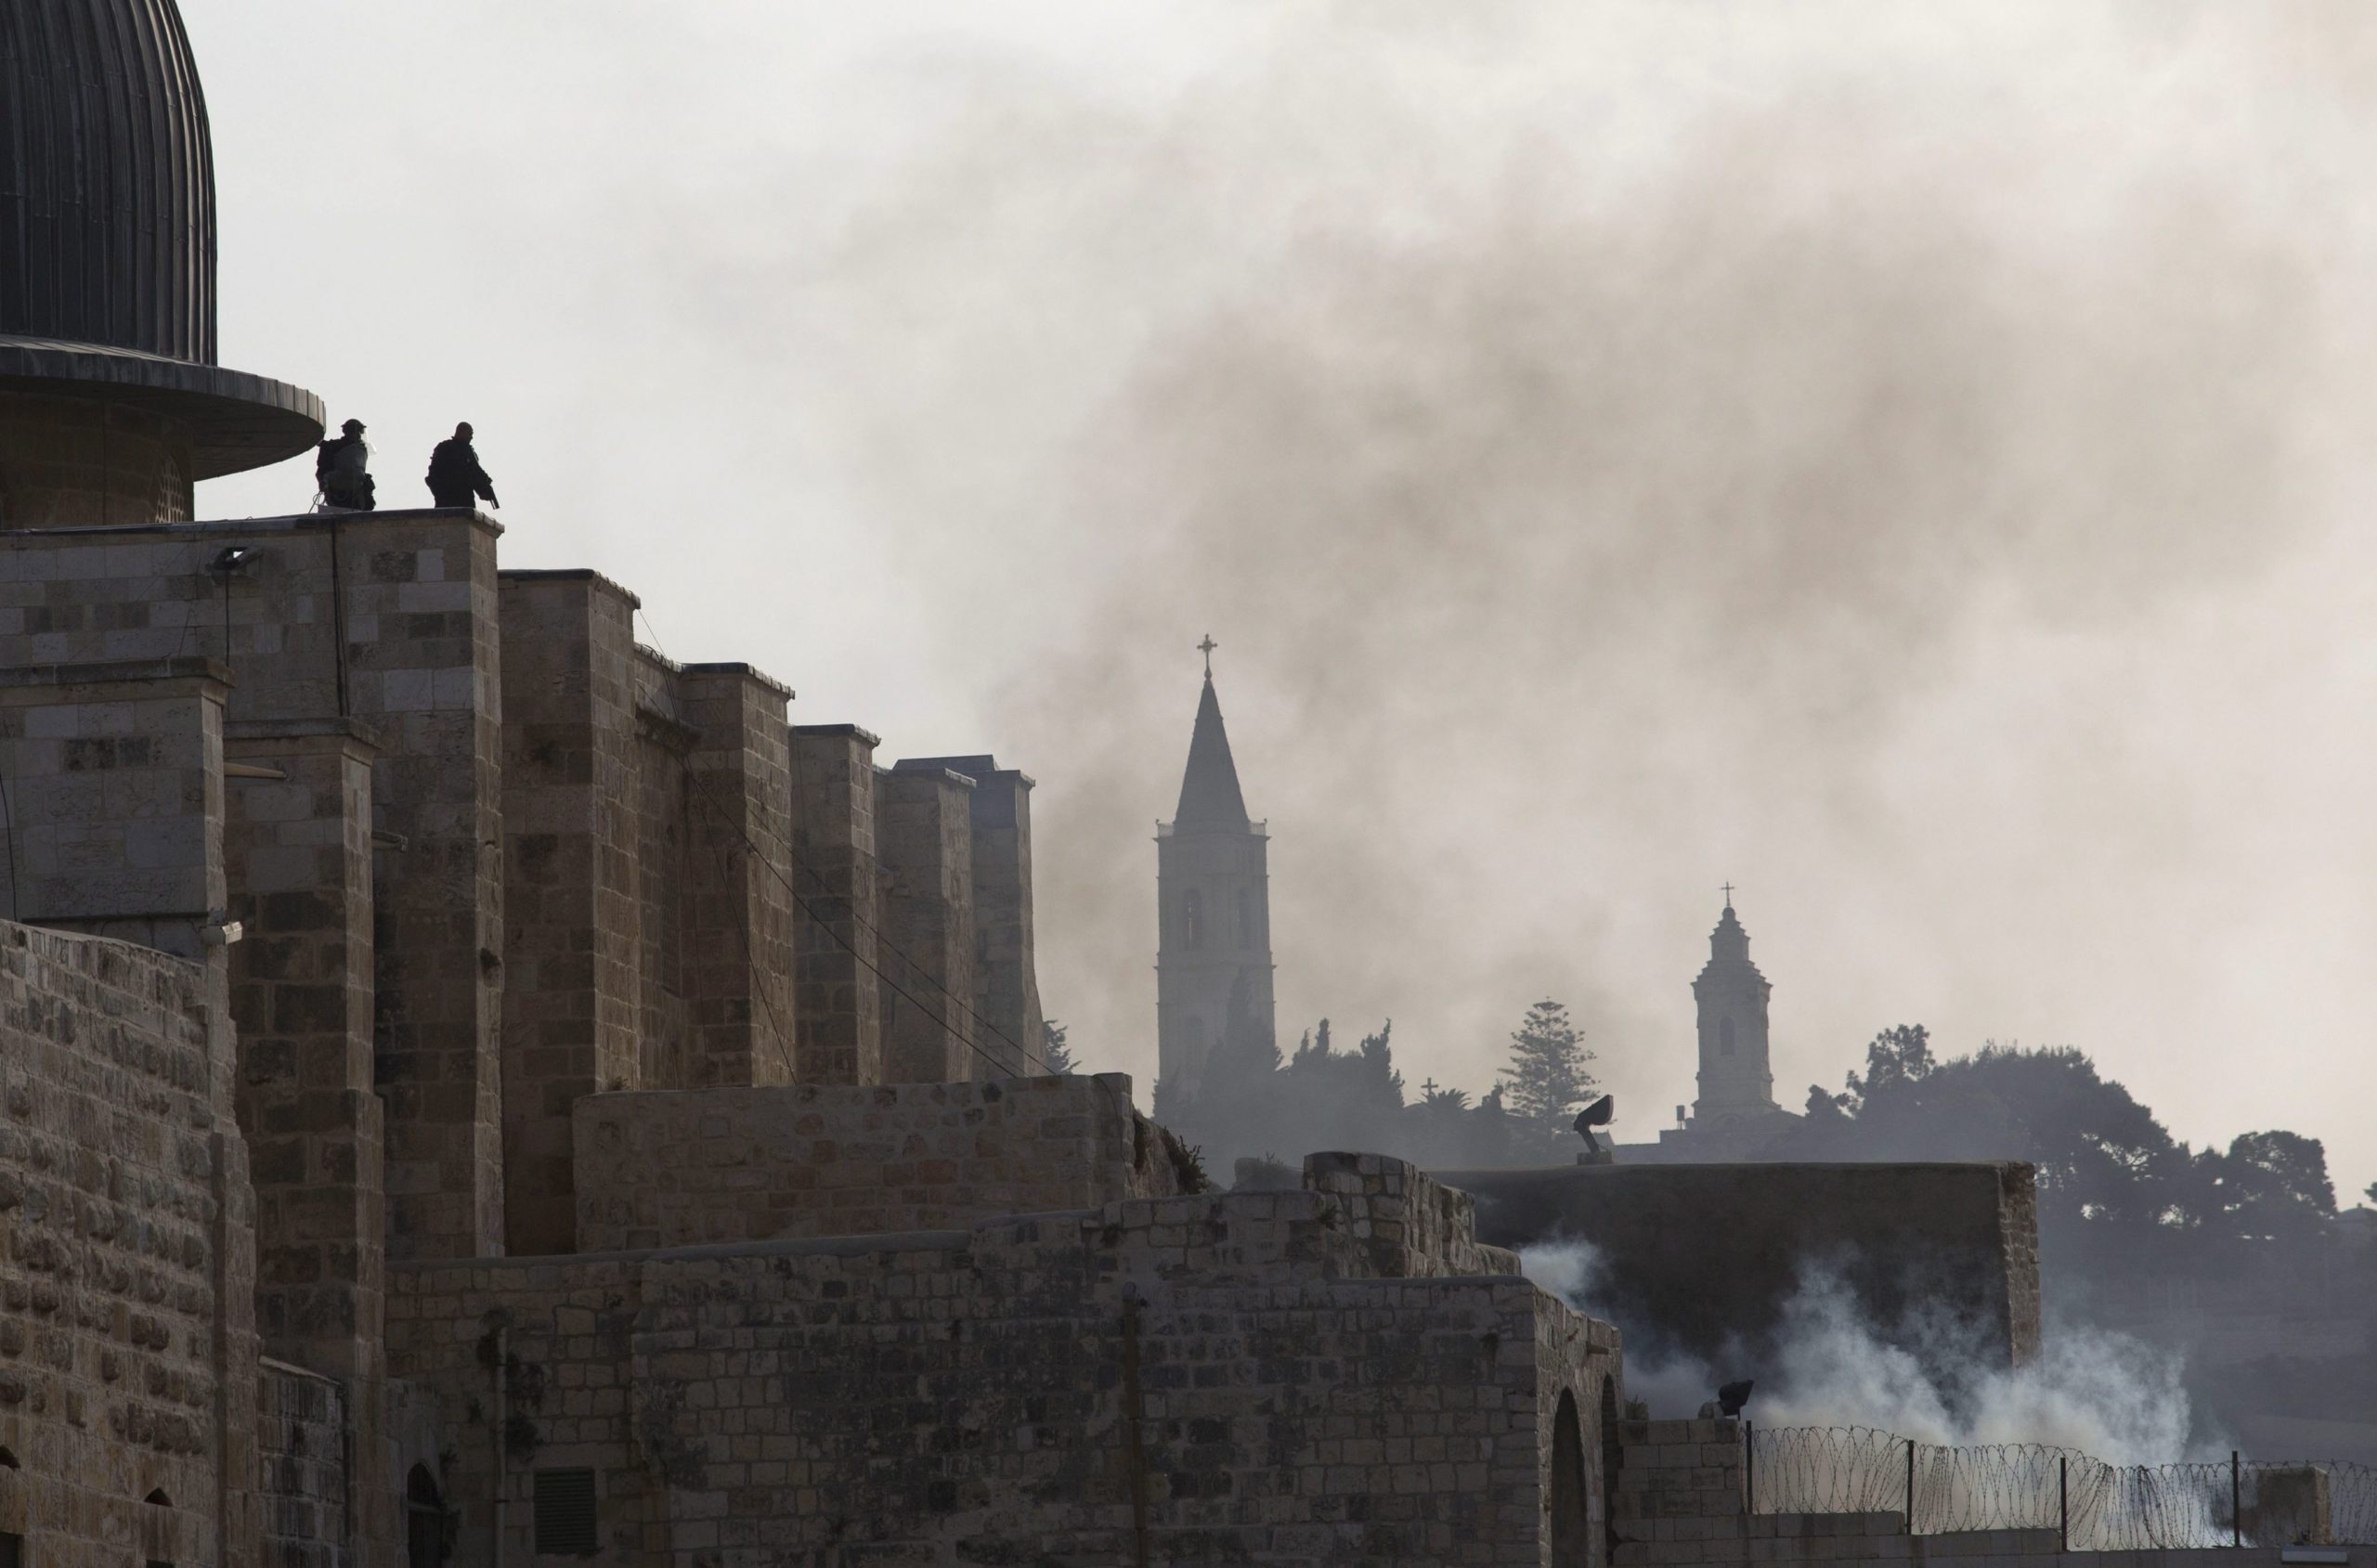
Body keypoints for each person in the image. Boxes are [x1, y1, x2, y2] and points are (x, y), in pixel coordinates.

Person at [425, 422, 500, 510]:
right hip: (447, 500)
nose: (471, 437)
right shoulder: (445, 448)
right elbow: (433, 475)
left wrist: (484, 488)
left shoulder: (468, 452)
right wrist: (441, 493)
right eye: (469, 434)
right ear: (461, 432)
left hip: (465, 501)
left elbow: (475, 473)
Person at [315, 418, 375, 511]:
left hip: (356, 485)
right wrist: (324, 481)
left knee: (368, 495)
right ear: (348, 432)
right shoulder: (334, 446)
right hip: (338, 486)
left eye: (359, 433)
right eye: (356, 432)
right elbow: (323, 467)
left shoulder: (359, 448)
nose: (358, 435)